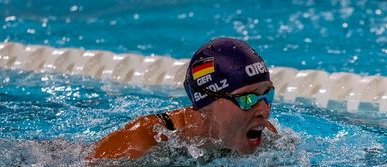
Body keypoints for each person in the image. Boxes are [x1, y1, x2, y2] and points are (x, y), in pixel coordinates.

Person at [87, 37, 278, 160]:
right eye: (247, 99)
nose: (264, 111)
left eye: (267, 95)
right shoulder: (141, 143)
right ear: (206, 102)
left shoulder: (262, 134)